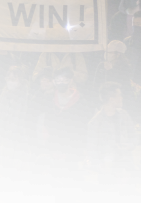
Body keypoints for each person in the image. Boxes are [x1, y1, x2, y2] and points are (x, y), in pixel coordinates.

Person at [42, 66, 91, 198]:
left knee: (67, 189)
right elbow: (39, 117)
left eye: (64, 80)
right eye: (58, 80)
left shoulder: (80, 102)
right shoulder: (48, 98)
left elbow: (84, 127)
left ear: (70, 81)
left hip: (70, 154)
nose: (61, 83)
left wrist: (81, 148)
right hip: (51, 150)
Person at [87, 82, 139, 193]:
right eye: (119, 95)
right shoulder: (96, 122)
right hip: (108, 173)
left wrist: (129, 145)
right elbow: (91, 147)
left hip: (126, 168)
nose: (122, 98)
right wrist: (98, 165)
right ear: (111, 99)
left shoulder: (123, 115)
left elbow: (134, 136)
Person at [0, 65, 30, 201]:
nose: (10, 81)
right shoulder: (5, 94)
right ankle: (7, 195)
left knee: (18, 173)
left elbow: (26, 119)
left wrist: (25, 139)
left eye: (13, 79)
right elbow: (0, 117)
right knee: (5, 169)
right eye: (8, 78)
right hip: (6, 138)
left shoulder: (25, 95)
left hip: (19, 139)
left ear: (21, 80)